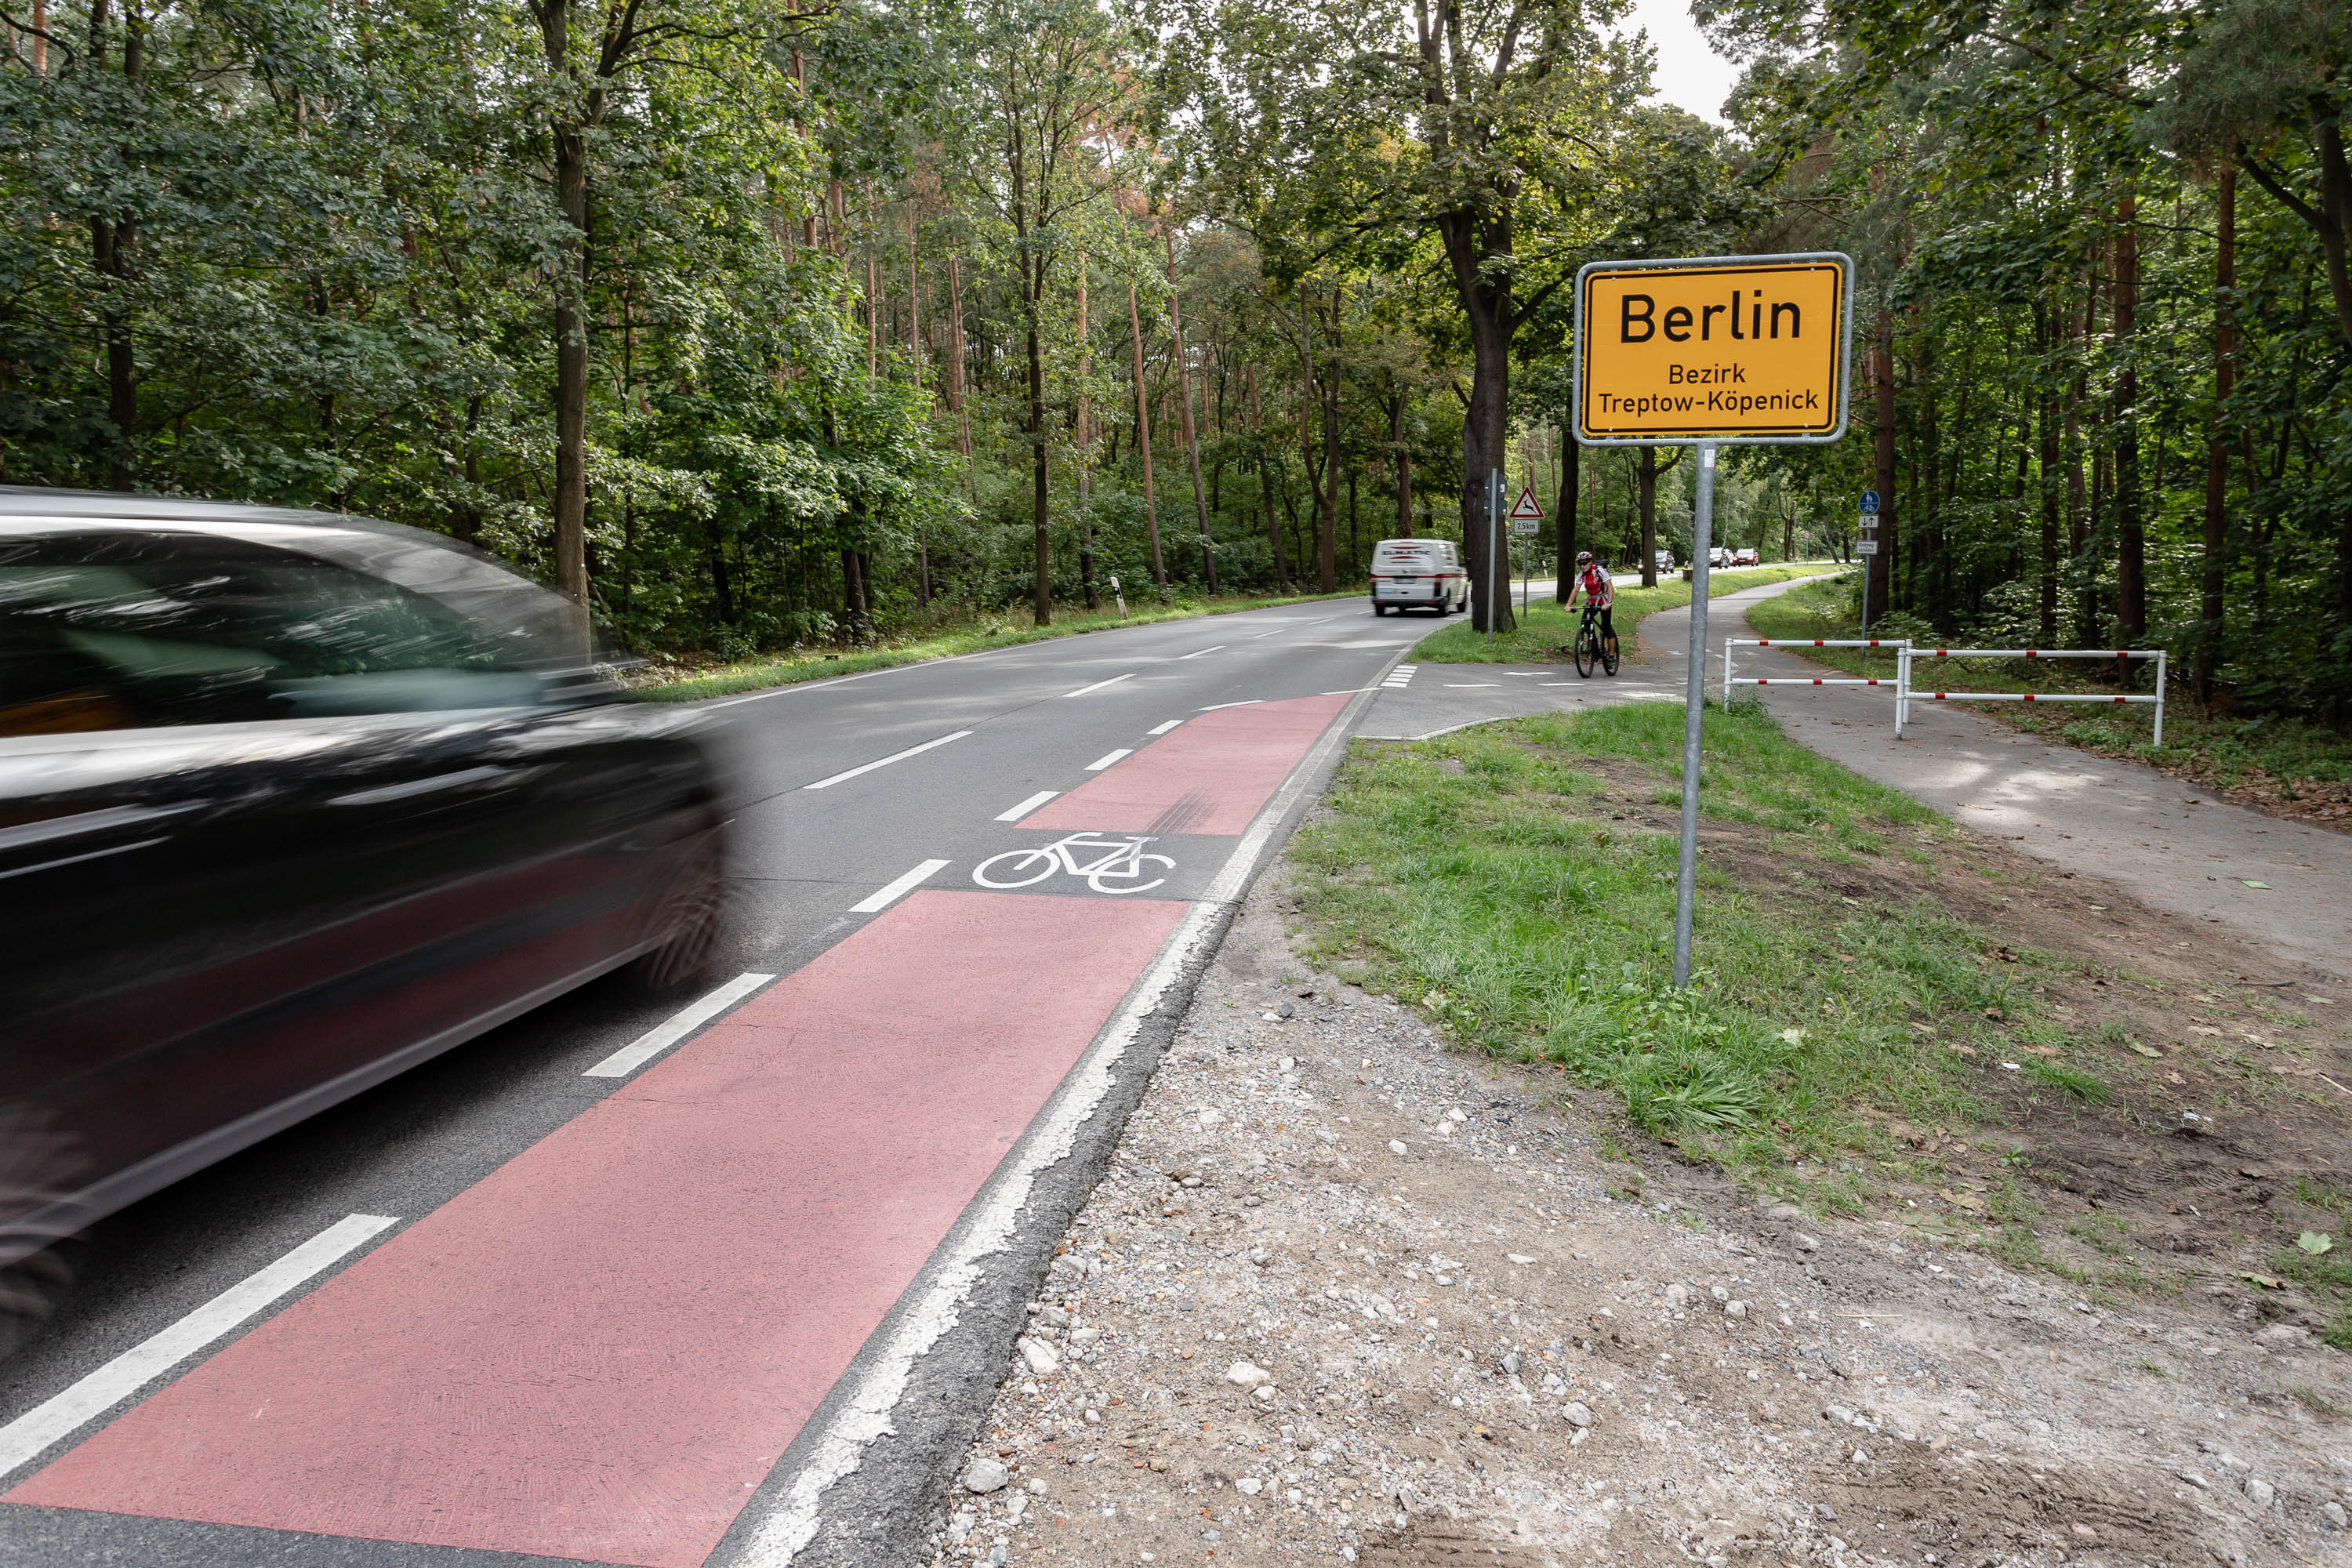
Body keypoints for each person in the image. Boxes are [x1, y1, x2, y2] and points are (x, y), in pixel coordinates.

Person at [1570, 550, 1616, 660]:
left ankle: (1611, 655)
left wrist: (1609, 603)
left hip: (1604, 601)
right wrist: (1568, 605)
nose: (1582, 566)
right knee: (1585, 622)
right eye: (1580, 564)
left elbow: (1610, 587)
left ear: (1591, 562)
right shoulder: (1582, 574)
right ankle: (1593, 646)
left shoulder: (1600, 571)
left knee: (1606, 627)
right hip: (1592, 601)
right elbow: (1576, 590)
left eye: (1584, 563)